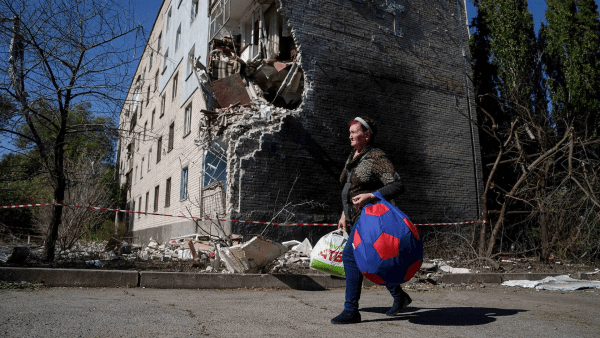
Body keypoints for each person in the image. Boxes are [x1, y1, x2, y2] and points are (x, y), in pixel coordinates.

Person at [331, 117, 412, 325]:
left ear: (366, 135)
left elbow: (397, 185)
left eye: (354, 132)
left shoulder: (376, 156)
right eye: (349, 132)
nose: (349, 135)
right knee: (373, 259)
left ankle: (351, 310)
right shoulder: (353, 156)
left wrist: (372, 195)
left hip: (371, 217)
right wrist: (343, 214)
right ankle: (399, 296)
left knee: (350, 256)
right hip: (354, 216)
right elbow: (349, 189)